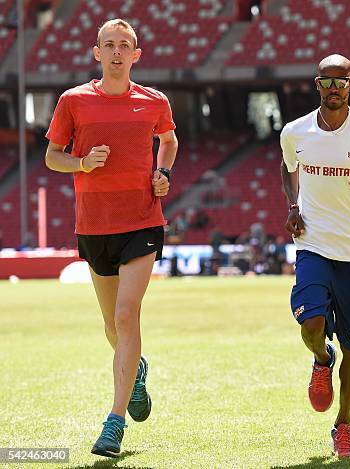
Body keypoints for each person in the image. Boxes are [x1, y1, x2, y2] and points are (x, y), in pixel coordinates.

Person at [44, 19, 178, 458]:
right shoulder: (74, 101)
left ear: (136, 55)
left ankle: (114, 422)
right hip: (94, 225)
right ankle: (135, 368)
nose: (117, 52)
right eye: (109, 45)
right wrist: (82, 163)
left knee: (125, 317)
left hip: (142, 221)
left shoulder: (153, 101)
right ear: (96, 53)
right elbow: (52, 158)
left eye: (125, 45)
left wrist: (163, 172)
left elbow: (169, 141)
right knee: (111, 325)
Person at [280, 54, 350, 458]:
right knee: (311, 324)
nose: (333, 88)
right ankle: (319, 358)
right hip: (313, 244)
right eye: (326, 81)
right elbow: (287, 168)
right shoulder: (295, 132)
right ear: (317, 85)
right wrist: (293, 205)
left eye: (340, 81)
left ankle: (344, 424)